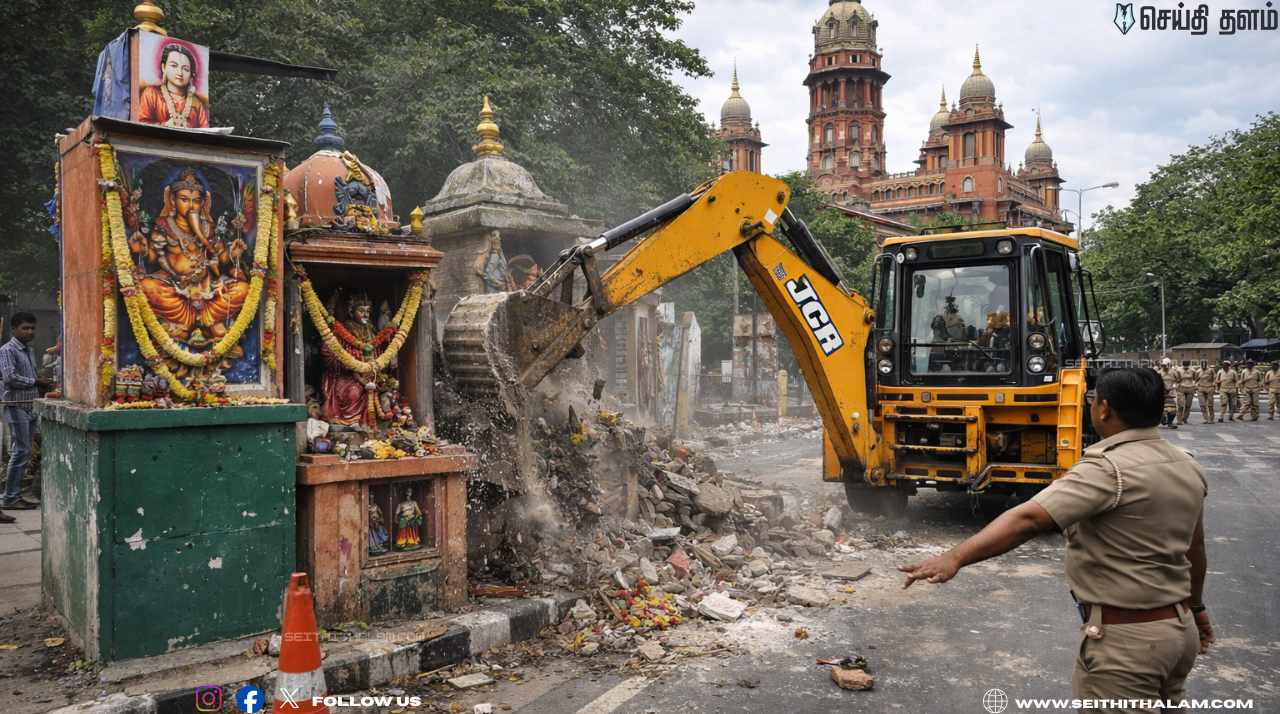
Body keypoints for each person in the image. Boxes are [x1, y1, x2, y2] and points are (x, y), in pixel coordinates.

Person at [899, 367, 1213, 711]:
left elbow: (1030, 519)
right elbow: (1194, 548)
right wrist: (1196, 609)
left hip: (1128, 647)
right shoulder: (1186, 464)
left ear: (1104, 409)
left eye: (1092, 401)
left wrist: (953, 557)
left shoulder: (1109, 468)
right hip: (1177, 632)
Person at [128, 167, 249, 349]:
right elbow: (153, 258)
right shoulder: (164, 225)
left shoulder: (209, 227)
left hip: (208, 286)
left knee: (242, 288)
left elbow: (220, 258)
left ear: (203, 203)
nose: (191, 206)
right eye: (184, 200)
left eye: (196, 201)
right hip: (174, 286)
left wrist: (232, 255)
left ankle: (205, 322)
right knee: (145, 287)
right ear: (173, 200)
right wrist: (142, 250)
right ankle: (185, 327)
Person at [1, 313, 52, 520]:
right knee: (21, 451)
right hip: (16, 405)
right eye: (25, 328)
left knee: (26, 451)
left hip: (30, 406)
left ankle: (14, 496)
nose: (30, 332)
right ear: (14, 329)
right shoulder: (7, 350)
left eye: (32, 328)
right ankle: (11, 497)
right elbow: (10, 377)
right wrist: (36, 381)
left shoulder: (28, 351)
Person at [137, 43, 210, 128]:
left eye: (185, 69)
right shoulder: (152, 94)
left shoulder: (198, 105)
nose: (180, 73)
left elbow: (205, 131)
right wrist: (165, 125)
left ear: (191, 74)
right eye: (174, 66)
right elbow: (142, 125)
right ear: (163, 67)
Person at [1157, 358, 1178, 429]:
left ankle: (1170, 422)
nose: (1164, 366)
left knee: (1172, 409)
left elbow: (1178, 381)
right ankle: (1162, 420)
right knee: (1161, 408)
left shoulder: (1174, 372)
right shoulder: (1159, 372)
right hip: (1161, 392)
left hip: (1171, 392)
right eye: (1163, 365)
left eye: (1165, 365)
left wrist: (1173, 387)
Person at [1175, 360, 1197, 425]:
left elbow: (1195, 379)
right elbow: (1176, 379)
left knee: (1188, 405)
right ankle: (1179, 419)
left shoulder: (1192, 370)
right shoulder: (1178, 370)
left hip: (1190, 387)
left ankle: (1185, 418)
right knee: (1181, 405)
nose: (1186, 365)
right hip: (1181, 387)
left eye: (1187, 363)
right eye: (1184, 363)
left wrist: (1195, 386)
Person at [1195, 360, 1217, 425]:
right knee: (1202, 405)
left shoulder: (1211, 370)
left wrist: (1214, 385)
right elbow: (1196, 379)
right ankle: (1206, 418)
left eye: (1204, 363)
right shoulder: (1198, 371)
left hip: (1209, 387)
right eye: (1202, 364)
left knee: (1210, 404)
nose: (1203, 365)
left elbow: (1215, 378)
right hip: (1201, 387)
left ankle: (1211, 418)